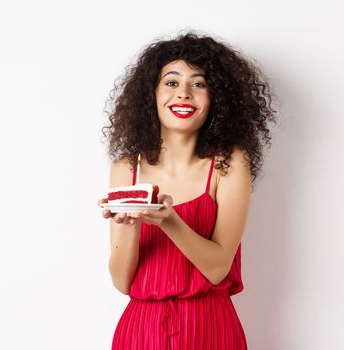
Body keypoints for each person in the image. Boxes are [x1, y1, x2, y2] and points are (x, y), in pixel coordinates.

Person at [97, 31, 277, 349]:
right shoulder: (127, 167)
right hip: (142, 332)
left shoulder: (229, 163)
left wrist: (169, 220)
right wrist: (129, 224)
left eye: (198, 83)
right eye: (171, 82)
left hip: (211, 329)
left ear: (216, 97)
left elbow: (218, 268)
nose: (183, 94)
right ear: (150, 94)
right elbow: (122, 280)